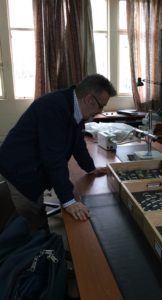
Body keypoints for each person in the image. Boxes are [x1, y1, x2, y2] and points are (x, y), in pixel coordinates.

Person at [0, 74, 117, 231]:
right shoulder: (54, 107)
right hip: (20, 174)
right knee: (31, 231)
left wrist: (90, 168)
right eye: (101, 106)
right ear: (89, 99)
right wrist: (69, 201)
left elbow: (77, 144)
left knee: (39, 220)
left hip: (33, 169)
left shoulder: (74, 106)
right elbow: (54, 159)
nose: (100, 111)